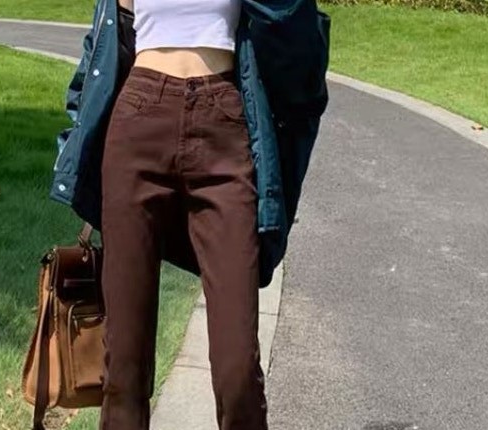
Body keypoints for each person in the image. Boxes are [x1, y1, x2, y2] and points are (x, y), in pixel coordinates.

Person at [49, 1, 330, 429]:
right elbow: (103, 44)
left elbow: (296, 31)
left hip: (224, 121)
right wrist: (77, 141)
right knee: (124, 367)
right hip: (138, 118)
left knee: (238, 372)